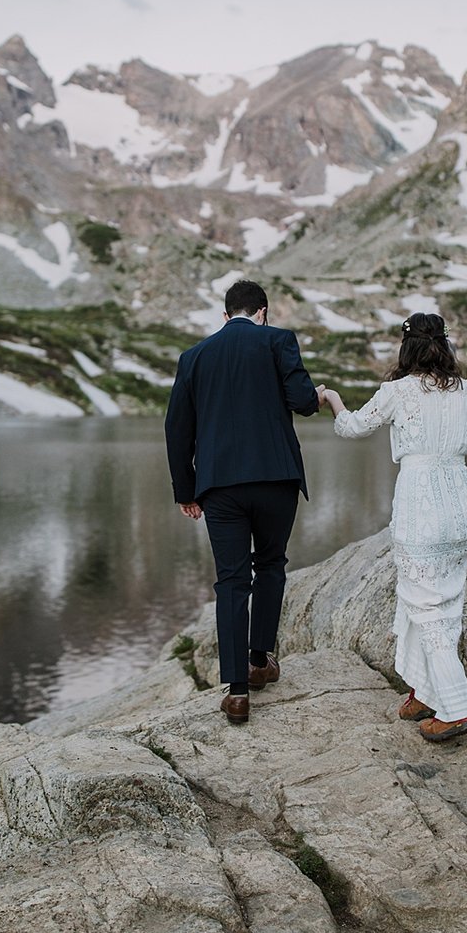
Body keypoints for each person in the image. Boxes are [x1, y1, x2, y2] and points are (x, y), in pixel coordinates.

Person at [320, 313, 467, 742]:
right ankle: (423, 689)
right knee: (442, 605)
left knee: (425, 607)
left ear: (407, 347)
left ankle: (456, 707)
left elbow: (352, 426)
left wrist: (335, 400)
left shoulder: (398, 391)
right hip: (461, 508)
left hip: (422, 509)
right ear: (445, 347)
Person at [164, 279, 322, 724]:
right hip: (276, 479)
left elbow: (177, 429)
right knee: (270, 564)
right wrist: (321, 395)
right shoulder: (278, 341)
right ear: (263, 312)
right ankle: (259, 662)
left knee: (231, 581)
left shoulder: (193, 357)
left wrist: (186, 490)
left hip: (220, 487)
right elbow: (302, 402)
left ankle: (236, 692)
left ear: (225, 315)